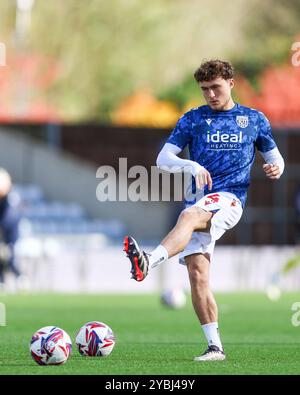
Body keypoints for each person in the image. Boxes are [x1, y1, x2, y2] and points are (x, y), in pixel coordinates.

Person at [123, 59, 285, 361]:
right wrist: (191, 164)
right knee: (198, 275)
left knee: (187, 217)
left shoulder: (253, 119)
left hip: (231, 199)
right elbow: (163, 159)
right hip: (198, 201)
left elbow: (275, 157)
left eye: (216, 87)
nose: (210, 94)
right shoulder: (193, 120)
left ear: (231, 84)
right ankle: (215, 347)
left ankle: (149, 260)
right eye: (205, 89)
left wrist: (276, 168)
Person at [0, 168, 22, 289]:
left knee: (9, 256)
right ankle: (2, 280)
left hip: (9, 230)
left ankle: (19, 277)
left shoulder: (10, 201)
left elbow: (11, 219)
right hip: (4, 228)